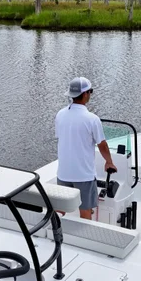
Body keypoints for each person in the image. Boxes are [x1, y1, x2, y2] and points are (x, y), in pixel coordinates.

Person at [55, 77, 117, 221]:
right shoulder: (92, 119)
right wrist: (109, 162)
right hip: (83, 175)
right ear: (85, 94)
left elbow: (61, 136)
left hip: (63, 173)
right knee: (85, 211)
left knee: (60, 209)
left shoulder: (60, 114)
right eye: (90, 91)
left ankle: (55, 230)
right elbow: (102, 145)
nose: (90, 94)